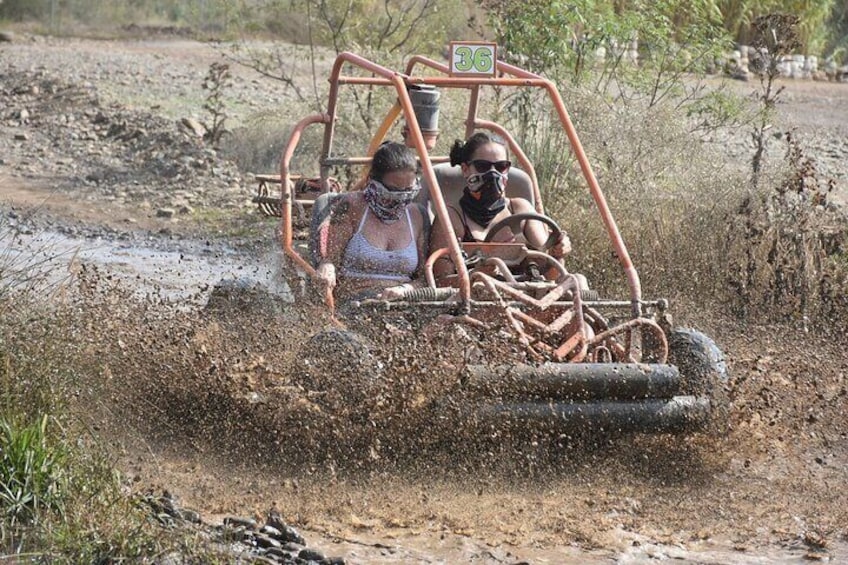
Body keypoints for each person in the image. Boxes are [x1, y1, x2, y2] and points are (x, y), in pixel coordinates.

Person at [429, 132, 570, 277]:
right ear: (465, 170)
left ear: (507, 170)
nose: (493, 174)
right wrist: (474, 275)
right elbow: (441, 279)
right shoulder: (451, 217)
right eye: (482, 166)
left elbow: (550, 273)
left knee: (579, 280)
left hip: (527, 294)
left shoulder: (520, 210)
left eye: (501, 167)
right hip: (472, 296)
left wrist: (558, 250)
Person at [314, 142, 429, 301]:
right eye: (393, 192)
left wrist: (405, 289)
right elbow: (330, 260)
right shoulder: (352, 206)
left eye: (407, 191)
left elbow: (426, 278)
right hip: (355, 302)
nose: (400, 200)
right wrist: (327, 267)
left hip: (404, 304)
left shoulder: (417, 215)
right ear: (373, 181)